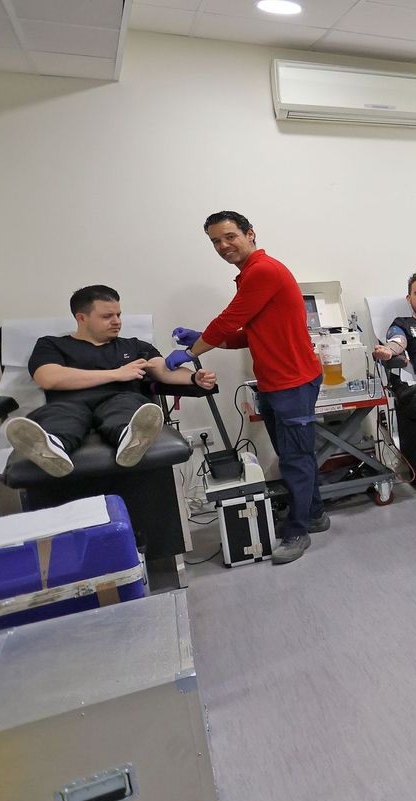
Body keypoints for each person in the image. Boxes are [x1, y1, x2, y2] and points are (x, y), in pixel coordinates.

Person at [168, 211, 326, 565]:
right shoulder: (250, 276)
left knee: (296, 459)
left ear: (249, 234)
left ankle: (298, 530)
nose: (223, 246)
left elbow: (229, 321)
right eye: (215, 242)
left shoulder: (263, 271)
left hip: (293, 382)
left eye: (229, 237)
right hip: (275, 382)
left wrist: (192, 351)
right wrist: (204, 338)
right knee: (295, 456)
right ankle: (314, 514)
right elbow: (244, 334)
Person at [5, 284, 218, 477]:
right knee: (60, 417)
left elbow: (162, 370)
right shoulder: (52, 345)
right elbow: (48, 378)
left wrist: (192, 377)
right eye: (107, 316)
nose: (117, 321)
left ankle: (130, 439)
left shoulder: (134, 346)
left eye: (118, 314)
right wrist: (117, 374)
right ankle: (52, 447)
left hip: (120, 399)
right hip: (68, 404)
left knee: (126, 408)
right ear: (82, 318)